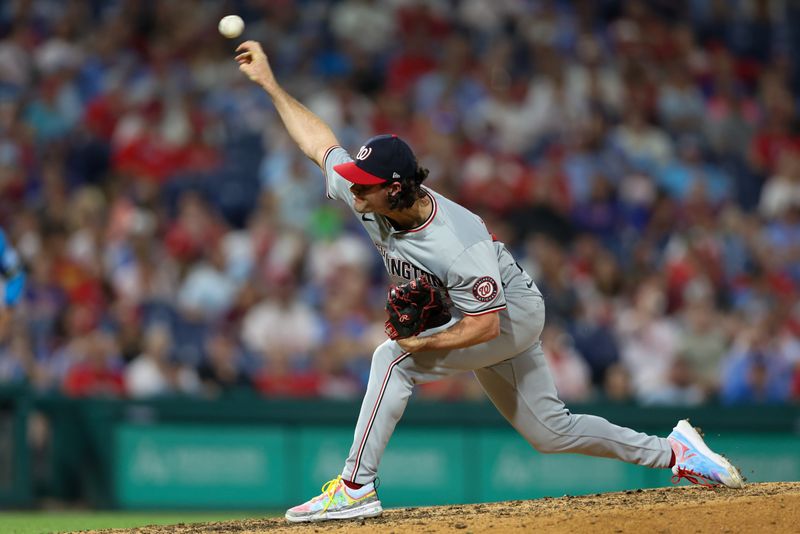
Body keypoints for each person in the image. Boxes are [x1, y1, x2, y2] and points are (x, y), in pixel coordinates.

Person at [234, 41, 745, 524]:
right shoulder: (371, 194)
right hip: (479, 313)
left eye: (367, 188)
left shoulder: (459, 240)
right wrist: (271, 84)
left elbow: (485, 325)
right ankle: (677, 453)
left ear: (396, 189)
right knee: (551, 432)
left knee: (391, 360)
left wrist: (417, 342)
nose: (354, 194)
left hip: (507, 316)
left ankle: (354, 489)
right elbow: (320, 145)